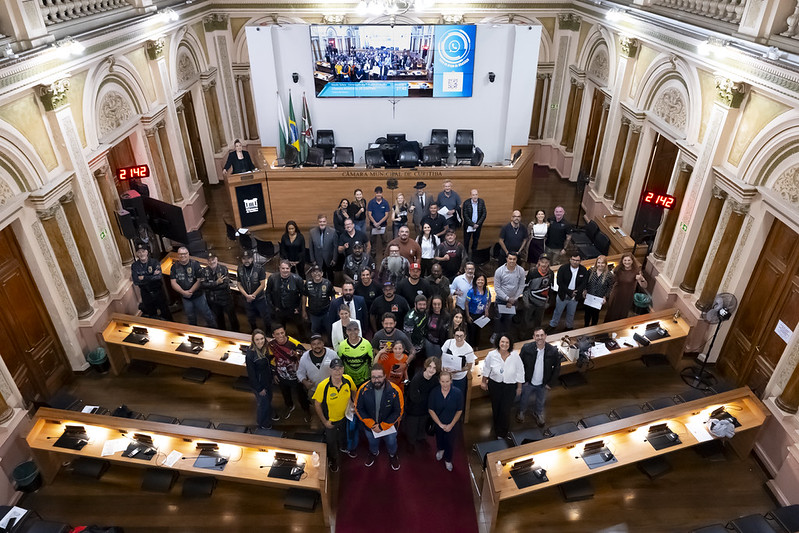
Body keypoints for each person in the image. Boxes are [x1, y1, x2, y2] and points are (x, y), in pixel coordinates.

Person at [354, 364, 404, 470]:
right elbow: (358, 409)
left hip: (389, 427)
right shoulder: (363, 389)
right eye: (374, 377)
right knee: (372, 442)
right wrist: (372, 424)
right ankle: (373, 452)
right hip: (370, 427)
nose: (376, 380)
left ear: (385, 376)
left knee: (391, 442)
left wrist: (382, 426)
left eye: (379, 377)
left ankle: (392, 455)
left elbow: (398, 412)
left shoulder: (395, 390)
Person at [312, 357, 357, 471]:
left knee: (343, 435)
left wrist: (353, 402)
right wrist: (325, 422)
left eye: (340, 368)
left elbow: (354, 390)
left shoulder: (347, 379)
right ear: (330, 370)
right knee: (331, 441)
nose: (338, 371)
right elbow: (317, 405)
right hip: (330, 420)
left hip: (345, 416)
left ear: (343, 369)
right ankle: (333, 460)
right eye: (335, 369)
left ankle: (343, 447)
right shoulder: (323, 386)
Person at [480, 334, 524, 440]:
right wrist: (483, 382)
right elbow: (486, 369)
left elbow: (520, 371)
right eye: (502, 342)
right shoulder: (491, 355)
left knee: (505, 409)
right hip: (495, 385)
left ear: (510, 344)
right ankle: (496, 428)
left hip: (510, 387)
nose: (504, 344)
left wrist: (519, 387)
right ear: (498, 343)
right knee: (496, 408)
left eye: (507, 342)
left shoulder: (515, 356)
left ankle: (502, 433)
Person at [518, 328, 561, 426]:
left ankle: (538, 413)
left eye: (542, 335)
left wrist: (550, 383)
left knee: (541, 400)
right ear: (533, 337)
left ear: (545, 336)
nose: (540, 338)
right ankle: (521, 412)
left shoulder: (553, 350)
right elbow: (519, 364)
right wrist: (522, 380)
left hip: (543, 383)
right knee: (524, 398)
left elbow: (557, 367)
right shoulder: (526, 348)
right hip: (528, 381)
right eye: (537, 335)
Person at [268, 323, 310, 422]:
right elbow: (271, 359)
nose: (281, 336)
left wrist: (297, 355)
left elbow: (305, 356)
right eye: (277, 334)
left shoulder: (294, 343)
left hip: (296, 376)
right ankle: (289, 406)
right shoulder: (271, 345)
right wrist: (274, 373)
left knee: (301, 395)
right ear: (273, 335)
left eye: (282, 333)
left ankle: (306, 410)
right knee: (285, 393)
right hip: (281, 374)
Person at [170, 246, 217, 327]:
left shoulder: (195, 264)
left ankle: (216, 331)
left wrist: (190, 291)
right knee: (190, 317)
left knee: (207, 314)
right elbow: (173, 282)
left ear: (188, 254)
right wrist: (183, 292)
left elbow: (199, 280)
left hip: (198, 295)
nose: (183, 256)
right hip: (185, 297)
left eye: (185, 254)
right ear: (178, 255)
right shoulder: (174, 267)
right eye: (180, 254)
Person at [428, 371, 464, 472]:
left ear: (451, 381)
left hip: (452, 424)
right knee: (439, 439)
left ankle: (448, 459)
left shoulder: (458, 393)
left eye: (447, 381)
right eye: (443, 381)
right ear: (439, 381)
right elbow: (431, 409)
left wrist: (451, 425)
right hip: (438, 423)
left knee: (450, 442)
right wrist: (440, 424)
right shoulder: (434, 392)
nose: (445, 384)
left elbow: (459, 410)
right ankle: (441, 449)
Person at [245, 329, 279, 429]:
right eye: (257, 340)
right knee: (262, 404)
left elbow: (269, 364)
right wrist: (259, 388)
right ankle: (262, 423)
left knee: (268, 399)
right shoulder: (251, 354)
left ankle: (269, 412)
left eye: (262, 338)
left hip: (268, 381)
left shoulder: (266, 348)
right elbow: (251, 374)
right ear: (253, 341)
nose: (260, 341)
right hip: (259, 384)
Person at [405, 357, 440, 453]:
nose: (431, 370)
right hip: (414, 410)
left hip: (426, 409)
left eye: (434, 368)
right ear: (426, 366)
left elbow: (435, 395)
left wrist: (423, 395)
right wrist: (429, 396)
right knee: (412, 428)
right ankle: (411, 443)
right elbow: (414, 398)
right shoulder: (417, 379)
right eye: (430, 367)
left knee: (422, 426)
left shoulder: (435, 380)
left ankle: (421, 438)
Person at [131, 243, 172, 321]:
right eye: (139, 252)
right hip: (146, 293)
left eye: (143, 251)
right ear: (136, 254)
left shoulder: (154, 262)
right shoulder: (135, 266)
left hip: (158, 291)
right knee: (152, 315)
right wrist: (151, 276)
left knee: (165, 312)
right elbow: (136, 281)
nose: (141, 254)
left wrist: (144, 278)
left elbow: (158, 276)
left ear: (147, 252)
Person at [549, 252, 588, 332]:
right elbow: (559, 282)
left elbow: (584, 282)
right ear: (570, 259)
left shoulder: (583, 270)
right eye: (573, 260)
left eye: (577, 260)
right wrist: (570, 292)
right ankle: (553, 325)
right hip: (563, 295)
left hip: (575, 297)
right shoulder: (563, 268)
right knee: (557, 311)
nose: (575, 262)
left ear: (580, 261)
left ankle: (569, 327)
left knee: (571, 313)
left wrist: (577, 291)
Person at [605, 252, 648, 323]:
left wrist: (642, 279)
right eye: (625, 260)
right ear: (622, 261)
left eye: (629, 260)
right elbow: (612, 281)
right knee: (612, 312)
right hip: (616, 294)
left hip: (627, 295)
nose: (627, 262)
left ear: (632, 261)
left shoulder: (636, 271)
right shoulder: (618, 269)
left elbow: (644, 286)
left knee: (622, 312)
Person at [201, 252, 238, 331]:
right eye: (209, 260)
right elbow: (203, 285)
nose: (211, 262)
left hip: (226, 298)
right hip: (213, 300)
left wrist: (211, 286)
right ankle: (222, 333)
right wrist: (216, 283)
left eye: (213, 259)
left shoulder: (223, 269)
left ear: (217, 259)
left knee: (232, 318)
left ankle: (236, 332)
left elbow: (225, 285)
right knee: (219, 318)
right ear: (207, 261)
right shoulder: (204, 271)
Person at [266, 260, 305, 335]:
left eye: (287, 268)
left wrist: (299, 308)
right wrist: (273, 307)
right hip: (279, 310)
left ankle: (304, 339)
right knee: (280, 328)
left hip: (294, 309)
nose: (285, 270)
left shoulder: (298, 279)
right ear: (279, 268)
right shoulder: (272, 278)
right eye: (283, 268)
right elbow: (267, 293)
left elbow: (303, 294)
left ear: (290, 268)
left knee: (300, 327)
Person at [493, 251, 526, 340]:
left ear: (516, 260)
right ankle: (496, 333)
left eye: (514, 259)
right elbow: (497, 288)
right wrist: (507, 299)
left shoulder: (521, 271)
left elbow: (521, 286)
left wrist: (514, 299)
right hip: (501, 300)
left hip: (514, 301)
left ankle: (505, 334)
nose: (512, 261)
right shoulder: (499, 271)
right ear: (506, 259)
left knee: (509, 318)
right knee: (498, 318)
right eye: (510, 259)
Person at [238, 250, 270, 332]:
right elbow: (239, 284)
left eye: (248, 258)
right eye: (244, 258)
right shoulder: (240, 269)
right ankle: (254, 331)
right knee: (250, 317)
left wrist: (253, 295)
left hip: (260, 298)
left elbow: (263, 284)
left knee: (265, 316)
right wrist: (247, 296)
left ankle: (269, 332)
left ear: (252, 258)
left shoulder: (260, 268)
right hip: (247, 299)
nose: (246, 260)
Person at [440, 328, 474, 404]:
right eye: (457, 336)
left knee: (457, 397)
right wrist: (443, 367)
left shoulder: (468, 349)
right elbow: (442, 355)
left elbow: (469, 366)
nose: (459, 338)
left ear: (465, 336)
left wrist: (457, 370)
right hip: (447, 374)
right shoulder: (448, 343)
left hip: (459, 377)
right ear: (453, 336)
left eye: (461, 336)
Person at [337, 321, 374, 387]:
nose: (352, 332)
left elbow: (371, 362)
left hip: (364, 380)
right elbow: (340, 363)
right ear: (346, 331)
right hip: (348, 380)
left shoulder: (366, 344)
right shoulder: (342, 345)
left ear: (359, 330)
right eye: (350, 330)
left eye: (355, 329)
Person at [523, 253, 554, 331]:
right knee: (526, 320)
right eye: (542, 261)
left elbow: (551, 288)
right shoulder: (532, 272)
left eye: (546, 262)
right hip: (530, 301)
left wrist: (549, 302)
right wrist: (526, 301)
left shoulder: (551, 273)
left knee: (538, 321)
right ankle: (524, 335)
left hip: (542, 302)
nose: (544, 264)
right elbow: (526, 287)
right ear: (539, 262)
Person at [583, 255, 615, 327]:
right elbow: (585, 282)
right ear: (596, 263)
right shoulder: (590, 271)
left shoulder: (609, 275)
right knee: (587, 314)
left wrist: (605, 296)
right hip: (589, 296)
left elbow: (610, 287)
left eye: (602, 263)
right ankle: (585, 327)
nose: (600, 265)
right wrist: (584, 290)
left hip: (599, 298)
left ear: (606, 264)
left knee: (595, 315)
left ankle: (593, 329)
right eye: (599, 262)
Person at [303, 266, 334, 338]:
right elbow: (304, 297)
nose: (317, 274)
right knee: (315, 333)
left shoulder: (328, 283)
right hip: (314, 314)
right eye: (314, 272)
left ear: (322, 273)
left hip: (326, 313)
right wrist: (304, 311)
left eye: (319, 272)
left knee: (330, 331)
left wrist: (332, 310)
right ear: (312, 274)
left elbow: (333, 296)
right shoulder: (307, 283)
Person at [465, 273, 493, 347]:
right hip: (472, 315)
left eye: (482, 280)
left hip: (481, 314)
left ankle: (476, 346)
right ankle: (471, 347)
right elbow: (466, 304)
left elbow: (489, 300)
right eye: (479, 280)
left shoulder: (487, 290)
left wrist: (487, 310)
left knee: (478, 331)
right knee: (471, 332)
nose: (480, 281)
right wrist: (467, 316)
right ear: (475, 281)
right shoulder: (471, 292)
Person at [309, 214, 338, 282]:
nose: (322, 223)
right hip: (318, 259)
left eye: (324, 221)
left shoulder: (333, 231)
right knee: (320, 277)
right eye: (320, 221)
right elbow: (311, 247)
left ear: (326, 222)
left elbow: (335, 246)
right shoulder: (312, 232)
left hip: (329, 259)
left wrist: (334, 259)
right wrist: (312, 260)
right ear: (318, 222)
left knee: (331, 277)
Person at [367, 186, 390, 259]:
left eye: (380, 193)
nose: (378, 195)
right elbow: (369, 214)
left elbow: (387, 215)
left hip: (383, 226)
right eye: (377, 193)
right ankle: (373, 257)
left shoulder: (385, 202)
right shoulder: (371, 202)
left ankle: (385, 256)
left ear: (382, 193)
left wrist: (379, 223)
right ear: (375, 194)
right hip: (373, 226)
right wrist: (375, 223)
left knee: (385, 241)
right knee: (373, 242)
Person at [462, 189, 487, 256]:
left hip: (478, 226)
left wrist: (478, 224)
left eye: (476, 194)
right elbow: (465, 215)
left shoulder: (481, 202)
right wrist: (472, 224)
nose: (475, 196)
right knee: (466, 241)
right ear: (470, 196)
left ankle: (474, 254)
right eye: (473, 195)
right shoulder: (466, 203)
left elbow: (484, 213)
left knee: (475, 240)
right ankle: (466, 255)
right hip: (468, 226)